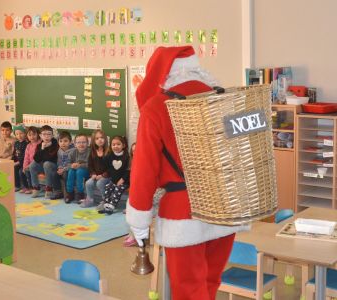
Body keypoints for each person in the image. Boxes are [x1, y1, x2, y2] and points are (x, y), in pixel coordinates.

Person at [126, 46, 249, 300]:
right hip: (225, 204)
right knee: (210, 282)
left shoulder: (157, 108)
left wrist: (138, 219)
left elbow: (144, 170)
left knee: (188, 289)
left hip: (184, 212)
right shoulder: (223, 99)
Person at [97, 135, 130, 215]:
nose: (116, 146)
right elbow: (104, 166)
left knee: (117, 190)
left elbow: (128, 171)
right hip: (114, 180)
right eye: (113, 144)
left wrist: (122, 180)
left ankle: (111, 207)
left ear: (123, 145)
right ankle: (106, 205)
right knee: (107, 188)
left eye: (118, 144)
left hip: (124, 181)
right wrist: (101, 157)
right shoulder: (110, 155)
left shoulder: (126, 156)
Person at [29, 125, 62, 199]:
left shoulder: (55, 144)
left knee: (46, 164)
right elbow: (36, 159)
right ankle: (36, 187)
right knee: (32, 165)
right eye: (44, 134)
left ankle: (49, 188)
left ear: (52, 135)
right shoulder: (39, 145)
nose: (46, 136)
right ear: (40, 135)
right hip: (44, 166)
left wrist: (45, 149)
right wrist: (42, 148)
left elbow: (50, 158)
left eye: (49, 134)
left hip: (53, 166)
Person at [82, 129, 109, 207]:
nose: (99, 140)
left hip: (107, 176)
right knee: (88, 183)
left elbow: (111, 168)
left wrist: (103, 175)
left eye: (101, 137)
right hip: (96, 175)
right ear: (94, 141)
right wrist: (93, 174)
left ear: (105, 139)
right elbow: (90, 165)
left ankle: (106, 200)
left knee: (100, 183)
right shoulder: (92, 152)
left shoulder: (109, 151)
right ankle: (90, 200)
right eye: (97, 138)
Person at [65, 133, 90, 204]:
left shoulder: (90, 152)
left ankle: (80, 193)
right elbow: (67, 164)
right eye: (78, 142)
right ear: (75, 144)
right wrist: (71, 165)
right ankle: (70, 193)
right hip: (75, 170)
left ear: (87, 143)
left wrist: (80, 165)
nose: (81, 144)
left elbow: (91, 165)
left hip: (86, 171)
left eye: (83, 142)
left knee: (79, 171)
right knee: (71, 171)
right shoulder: (72, 152)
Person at [56, 130, 74, 197]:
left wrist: (64, 169)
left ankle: (67, 193)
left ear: (70, 142)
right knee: (55, 173)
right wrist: (60, 168)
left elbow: (72, 164)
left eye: (65, 141)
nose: (63, 143)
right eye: (61, 141)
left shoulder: (73, 151)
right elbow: (59, 162)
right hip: (62, 169)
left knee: (65, 174)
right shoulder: (59, 151)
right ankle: (58, 191)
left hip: (70, 169)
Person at [23, 126, 40, 195]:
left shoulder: (40, 144)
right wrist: (25, 166)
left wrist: (29, 165)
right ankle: (30, 187)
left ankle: (35, 187)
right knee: (25, 170)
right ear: (27, 136)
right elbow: (26, 157)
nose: (32, 137)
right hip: (30, 165)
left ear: (38, 134)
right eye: (30, 135)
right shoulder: (28, 146)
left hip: (38, 164)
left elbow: (39, 158)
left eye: (34, 134)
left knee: (31, 168)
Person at [12, 124, 29, 193]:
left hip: (24, 162)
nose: (19, 136)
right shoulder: (16, 143)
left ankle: (26, 187)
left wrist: (18, 162)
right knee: (14, 168)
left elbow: (25, 156)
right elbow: (14, 154)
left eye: (21, 133)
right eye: (17, 134)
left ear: (25, 133)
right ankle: (17, 185)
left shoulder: (27, 143)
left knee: (21, 171)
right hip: (18, 162)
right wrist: (12, 161)